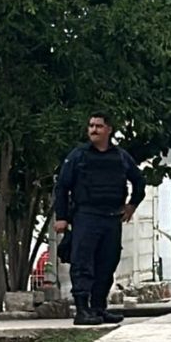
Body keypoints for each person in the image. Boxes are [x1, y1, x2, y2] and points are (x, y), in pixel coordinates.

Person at [54, 112, 147, 326]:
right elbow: (62, 187)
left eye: (99, 126)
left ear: (109, 129)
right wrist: (62, 218)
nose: (93, 129)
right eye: (91, 126)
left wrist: (132, 205)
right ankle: (82, 310)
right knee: (83, 264)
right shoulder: (78, 155)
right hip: (86, 217)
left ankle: (98, 308)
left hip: (112, 219)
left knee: (107, 263)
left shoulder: (121, 157)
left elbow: (139, 182)